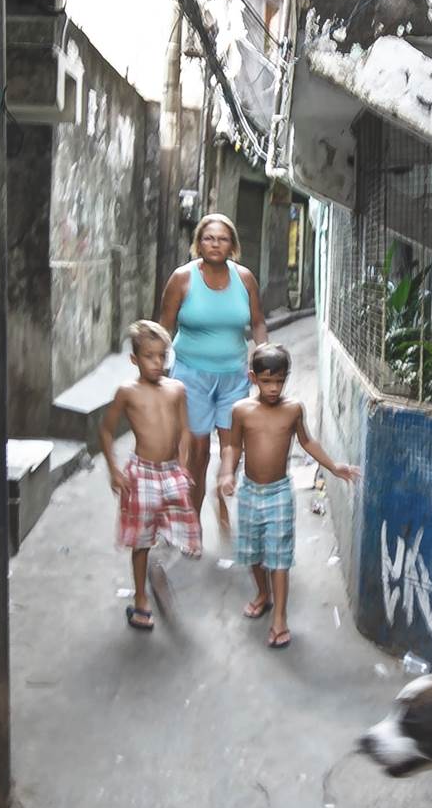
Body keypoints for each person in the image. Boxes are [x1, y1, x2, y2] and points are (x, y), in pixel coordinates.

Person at [217, 343, 360, 649]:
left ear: (286, 377)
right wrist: (227, 472)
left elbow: (307, 442)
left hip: (279, 493)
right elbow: (233, 446)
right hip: (249, 492)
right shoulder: (241, 411)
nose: (273, 388)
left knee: (279, 558)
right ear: (253, 377)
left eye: (279, 381)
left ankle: (280, 617)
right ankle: (263, 594)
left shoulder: (293, 409)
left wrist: (333, 466)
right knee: (252, 552)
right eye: (267, 381)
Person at [158, 213, 268, 540]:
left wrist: (265, 357)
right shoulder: (182, 278)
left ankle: (221, 493)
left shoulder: (245, 279)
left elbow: (258, 322)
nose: (215, 244)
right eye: (208, 238)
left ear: (232, 245)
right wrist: (156, 374)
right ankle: (192, 521)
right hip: (190, 376)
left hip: (234, 376)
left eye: (222, 239)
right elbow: (163, 327)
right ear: (198, 243)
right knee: (198, 450)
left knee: (233, 445)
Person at [100, 320, 201, 632]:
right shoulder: (127, 393)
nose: (157, 363)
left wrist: (183, 464)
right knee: (141, 540)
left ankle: (159, 568)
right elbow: (105, 430)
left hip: (171, 472)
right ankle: (141, 598)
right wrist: (114, 470)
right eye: (149, 356)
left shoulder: (176, 390)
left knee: (187, 535)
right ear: (134, 359)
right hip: (142, 473)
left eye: (162, 356)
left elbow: (185, 430)